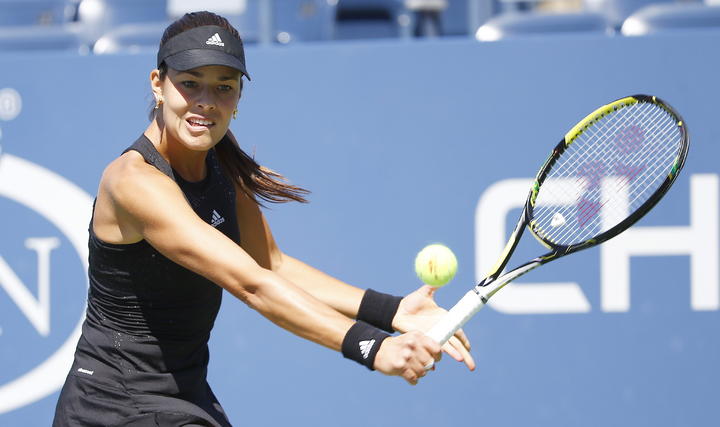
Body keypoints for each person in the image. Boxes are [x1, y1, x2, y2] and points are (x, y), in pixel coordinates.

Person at [53, 10, 474, 427]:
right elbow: (251, 283)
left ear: (239, 98)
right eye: (190, 83)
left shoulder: (222, 166)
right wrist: (372, 346)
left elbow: (271, 265)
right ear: (157, 84)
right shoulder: (133, 182)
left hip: (183, 395)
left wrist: (393, 310)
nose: (206, 101)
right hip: (112, 406)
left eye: (224, 87)